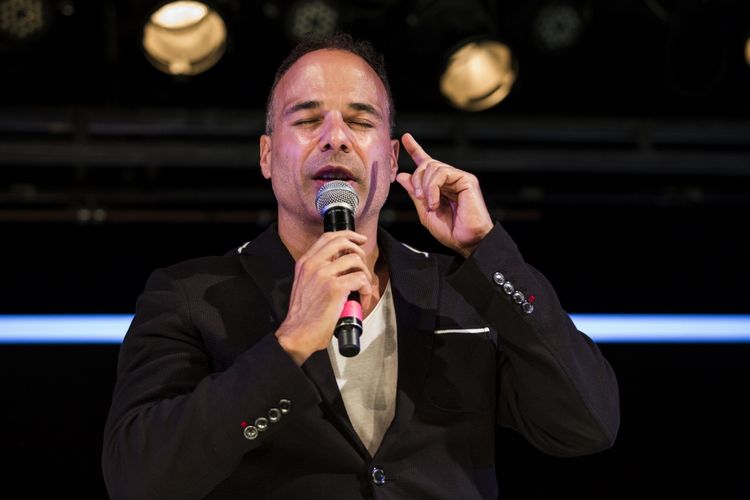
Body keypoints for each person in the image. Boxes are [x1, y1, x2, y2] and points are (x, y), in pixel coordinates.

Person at [102, 32, 619, 500]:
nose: (336, 137)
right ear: (266, 155)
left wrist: (487, 251)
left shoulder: (462, 288)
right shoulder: (191, 294)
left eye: (361, 120)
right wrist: (289, 346)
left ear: (392, 161)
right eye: (307, 120)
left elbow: (586, 425)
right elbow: (138, 479)